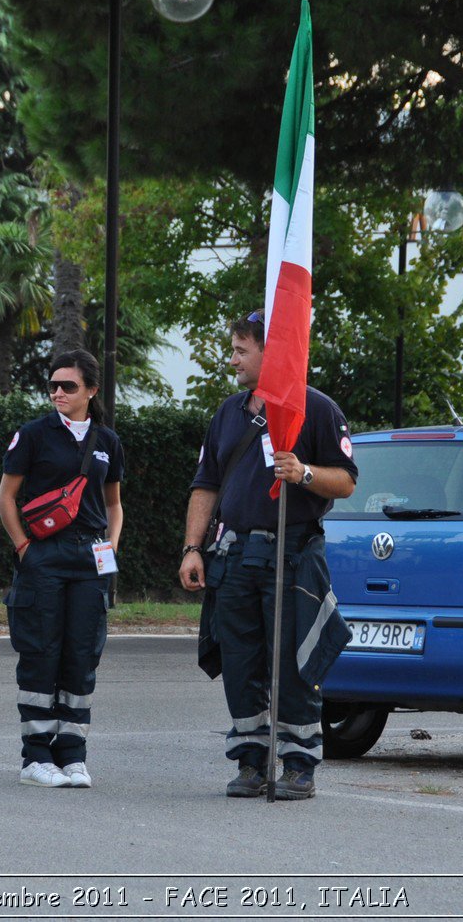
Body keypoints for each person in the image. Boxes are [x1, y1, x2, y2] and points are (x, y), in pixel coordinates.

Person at [178, 311, 357, 800]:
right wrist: (194, 548)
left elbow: (346, 479)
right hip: (233, 557)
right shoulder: (228, 413)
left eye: (241, 350)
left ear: (270, 353)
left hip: (292, 555)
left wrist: (302, 473)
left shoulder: (316, 409)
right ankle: (251, 761)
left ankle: (300, 763)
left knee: (293, 662)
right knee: (240, 662)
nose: (232, 358)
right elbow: (206, 483)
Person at [0, 349, 125, 788]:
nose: (58, 392)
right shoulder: (33, 434)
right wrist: (24, 549)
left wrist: (110, 546)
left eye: (68, 386)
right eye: (52, 385)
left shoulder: (108, 441)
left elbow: (114, 504)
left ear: (91, 390)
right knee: (41, 652)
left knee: (82, 654)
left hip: (90, 558)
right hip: (44, 556)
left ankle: (72, 755)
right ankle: (35, 758)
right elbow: (5, 497)